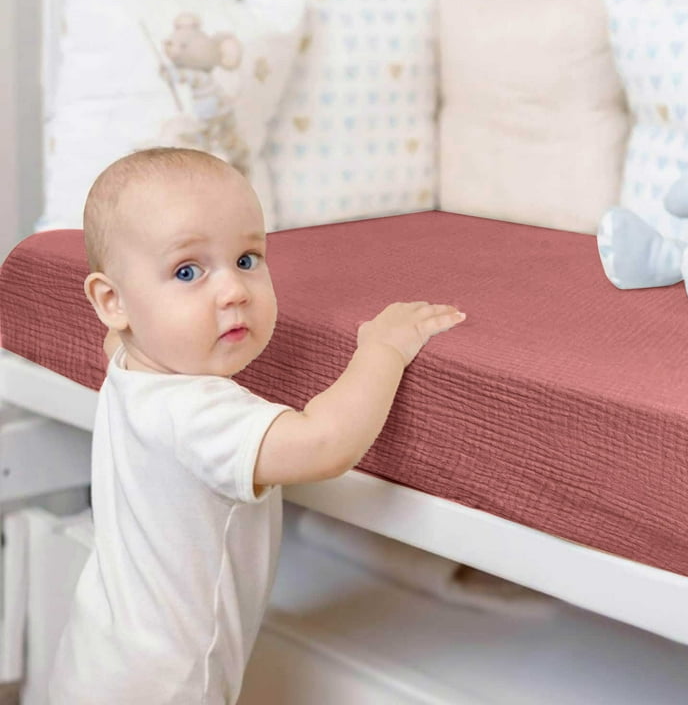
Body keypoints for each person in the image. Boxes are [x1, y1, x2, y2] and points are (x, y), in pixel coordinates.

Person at [49, 147, 466, 704]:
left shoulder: (129, 365)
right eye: (188, 271)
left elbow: (112, 340)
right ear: (112, 300)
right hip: (169, 688)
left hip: (99, 660)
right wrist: (383, 348)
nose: (234, 291)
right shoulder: (197, 413)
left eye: (247, 259)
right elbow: (324, 442)